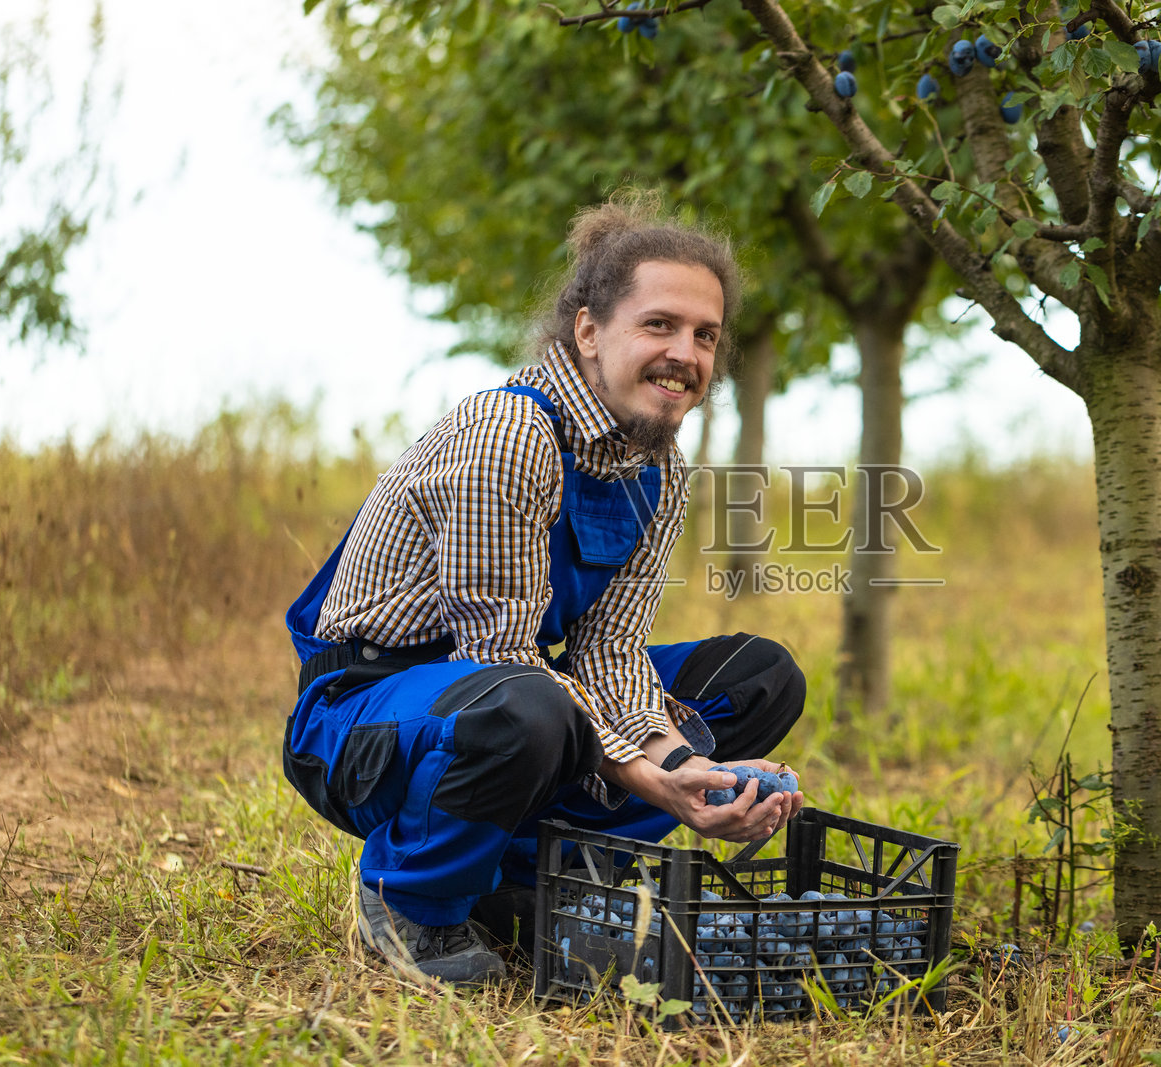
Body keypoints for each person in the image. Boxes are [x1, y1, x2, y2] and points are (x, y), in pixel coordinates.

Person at [282, 193, 807, 987]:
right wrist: (654, 781)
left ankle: (524, 879)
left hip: (507, 692)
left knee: (756, 679)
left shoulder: (657, 469)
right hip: (365, 716)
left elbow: (609, 652)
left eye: (705, 334)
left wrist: (675, 757)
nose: (687, 354)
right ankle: (410, 900)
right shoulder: (512, 432)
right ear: (589, 333)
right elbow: (497, 654)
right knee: (529, 703)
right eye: (659, 324)